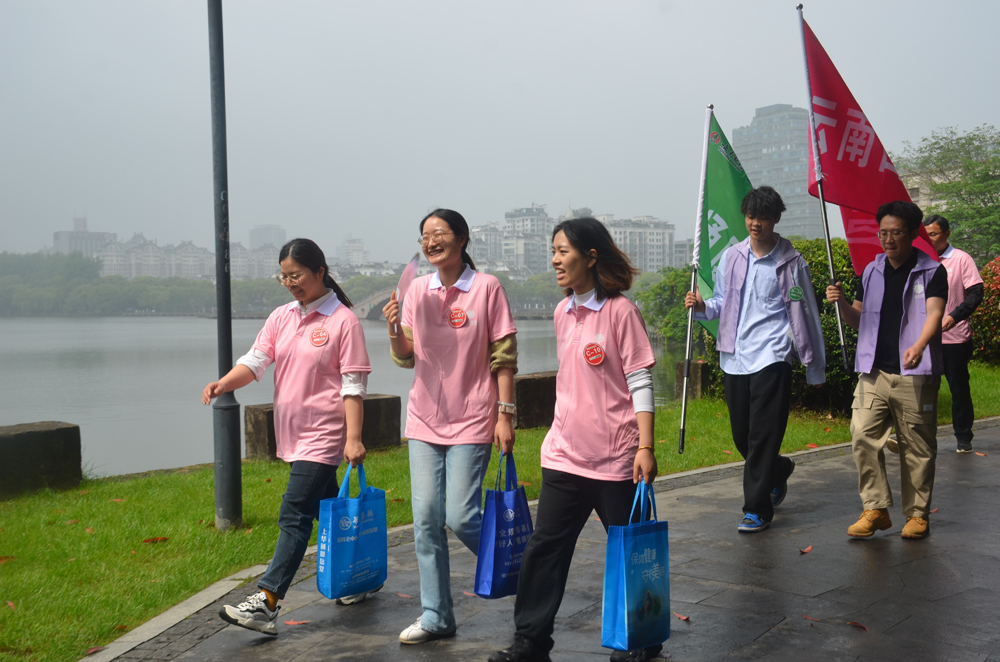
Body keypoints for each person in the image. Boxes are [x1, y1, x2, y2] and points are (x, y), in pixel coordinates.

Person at [490, 217, 659, 662]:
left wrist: (645, 446)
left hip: (616, 458)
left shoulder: (621, 312)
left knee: (629, 551)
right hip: (564, 455)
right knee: (545, 550)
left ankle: (640, 636)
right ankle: (530, 640)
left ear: (591, 255)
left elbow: (640, 379)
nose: (555, 259)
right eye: (553, 250)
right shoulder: (562, 312)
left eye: (563, 251)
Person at [203, 238, 373, 636]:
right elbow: (256, 360)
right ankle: (361, 577)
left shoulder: (343, 321)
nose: (291, 283)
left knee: (294, 515)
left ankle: (267, 602)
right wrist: (224, 383)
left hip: (325, 435)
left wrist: (354, 437)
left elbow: (353, 385)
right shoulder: (282, 316)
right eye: (285, 277)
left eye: (297, 275)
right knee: (330, 510)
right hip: (294, 435)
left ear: (320, 271)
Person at [382, 209, 518, 645]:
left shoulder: (486, 288)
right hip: (423, 418)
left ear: (461, 239)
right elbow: (406, 356)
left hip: (473, 416)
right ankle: (436, 615)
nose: (431, 241)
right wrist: (391, 328)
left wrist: (505, 414)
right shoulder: (417, 290)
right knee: (424, 520)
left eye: (439, 233)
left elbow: (504, 357)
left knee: (461, 515)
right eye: (425, 235)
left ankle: (524, 570)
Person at [684, 186, 826, 533]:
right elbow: (722, 303)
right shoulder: (732, 257)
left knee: (762, 435)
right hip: (736, 355)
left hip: (773, 355)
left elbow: (805, 310)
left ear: (776, 218)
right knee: (742, 435)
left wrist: (810, 358)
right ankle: (777, 469)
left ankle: (757, 509)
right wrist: (702, 307)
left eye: (762, 217)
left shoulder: (791, 263)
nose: (755, 223)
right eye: (750, 216)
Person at [826, 201, 947, 540]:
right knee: (862, 433)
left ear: (912, 234)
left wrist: (920, 344)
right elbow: (859, 321)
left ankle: (917, 514)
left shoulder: (932, 271)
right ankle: (876, 508)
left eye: (896, 233)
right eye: (884, 233)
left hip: (915, 372)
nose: (889, 240)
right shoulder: (871, 271)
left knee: (917, 445)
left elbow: (935, 314)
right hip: (874, 372)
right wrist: (843, 303)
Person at [923, 214, 983, 453]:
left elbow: (976, 294)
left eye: (933, 234)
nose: (929, 239)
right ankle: (922, 437)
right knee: (922, 390)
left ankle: (963, 437)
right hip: (924, 339)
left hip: (954, 338)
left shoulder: (961, 259)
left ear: (947, 234)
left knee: (958, 388)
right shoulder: (920, 260)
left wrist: (953, 317)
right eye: (924, 235)